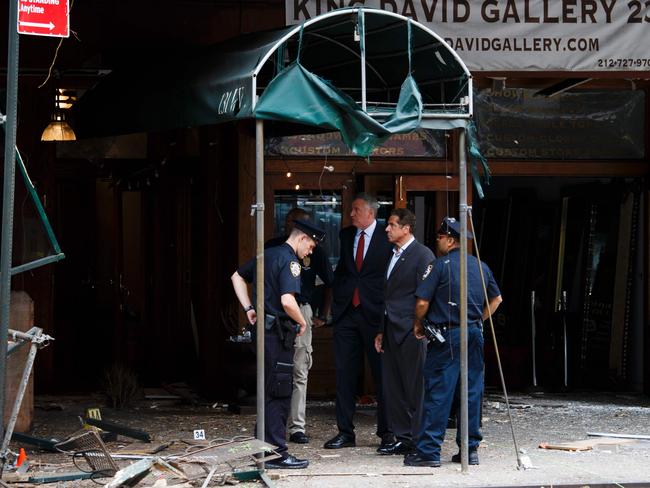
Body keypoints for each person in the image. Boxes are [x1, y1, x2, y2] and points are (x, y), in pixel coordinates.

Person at [404, 217, 502, 468]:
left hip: (446, 336)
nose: (436, 241)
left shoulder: (439, 266)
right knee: (471, 393)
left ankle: (429, 452)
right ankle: (469, 451)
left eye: (439, 237)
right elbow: (497, 299)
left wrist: (418, 324)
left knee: (439, 392)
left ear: (450, 239)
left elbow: (423, 302)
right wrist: (477, 319)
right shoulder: (481, 266)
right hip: (474, 334)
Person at [231, 219, 326, 469]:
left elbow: (236, 276)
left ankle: (261, 449)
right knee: (279, 392)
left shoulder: (267, 255)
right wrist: (302, 322)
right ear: (303, 237)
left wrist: (249, 308)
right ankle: (276, 453)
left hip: (262, 331)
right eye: (312, 245)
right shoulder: (290, 261)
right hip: (278, 333)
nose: (311, 251)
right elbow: (287, 301)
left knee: (266, 389)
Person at [324, 193, 394, 450]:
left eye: (355, 209)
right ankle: (345, 432)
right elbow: (343, 270)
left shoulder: (387, 236)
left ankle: (387, 433)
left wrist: (388, 314)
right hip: (347, 314)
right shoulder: (345, 236)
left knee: (382, 374)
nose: (350, 214)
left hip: (375, 315)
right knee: (344, 374)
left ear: (370, 213)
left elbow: (390, 276)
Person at [266, 208, 334, 445]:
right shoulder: (273, 247)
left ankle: (297, 427)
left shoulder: (316, 251)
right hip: (276, 311)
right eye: (288, 220)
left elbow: (329, 284)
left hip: (302, 308)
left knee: (299, 370)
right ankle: (271, 427)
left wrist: (323, 316)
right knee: (273, 370)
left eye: (296, 222)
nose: (289, 224)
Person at [374, 208, 434, 455]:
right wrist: (381, 330)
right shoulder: (393, 254)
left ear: (406, 228)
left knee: (415, 387)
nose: (387, 229)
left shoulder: (422, 255)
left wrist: (419, 325)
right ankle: (403, 437)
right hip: (391, 329)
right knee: (393, 386)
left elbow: (426, 294)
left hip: (412, 330)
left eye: (391, 225)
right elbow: (388, 296)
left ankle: (420, 439)